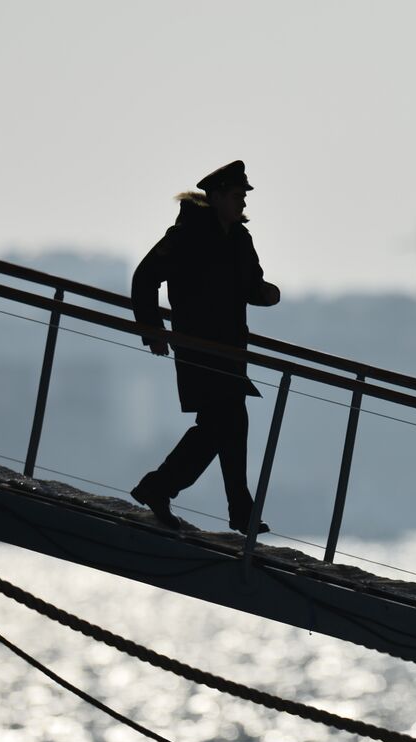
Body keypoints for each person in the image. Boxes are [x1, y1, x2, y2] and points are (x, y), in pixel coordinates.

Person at [129, 160, 281, 533]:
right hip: (198, 348)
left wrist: (265, 294)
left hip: (230, 351)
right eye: (236, 196)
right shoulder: (187, 235)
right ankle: (169, 490)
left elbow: (250, 286)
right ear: (215, 198)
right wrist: (154, 330)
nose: (243, 203)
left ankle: (169, 490)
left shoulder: (240, 239)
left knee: (226, 424)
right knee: (224, 423)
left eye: (244, 196)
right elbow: (145, 277)